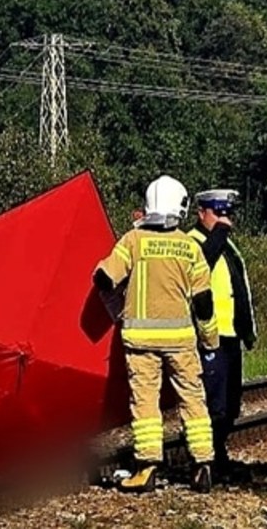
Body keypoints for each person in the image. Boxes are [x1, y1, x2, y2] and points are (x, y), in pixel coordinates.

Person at [92, 175, 219, 493]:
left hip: (141, 342)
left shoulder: (133, 242)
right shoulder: (190, 247)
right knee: (193, 400)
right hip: (181, 342)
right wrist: (210, 340)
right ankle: (203, 465)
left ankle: (147, 469)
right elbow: (204, 302)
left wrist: (119, 306)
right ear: (181, 206)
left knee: (145, 404)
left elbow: (105, 278)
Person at [187, 189, 258, 481]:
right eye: (219, 213)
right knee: (213, 405)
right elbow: (200, 268)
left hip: (231, 335)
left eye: (229, 213)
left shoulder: (230, 246)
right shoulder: (193, 243)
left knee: (230, 405)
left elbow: (239, 291)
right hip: (209, 337)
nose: (225, 220)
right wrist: (218, 235)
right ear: (201, 212)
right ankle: (207, 460)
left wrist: (249, 331)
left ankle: (219, 454)